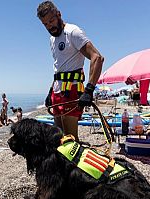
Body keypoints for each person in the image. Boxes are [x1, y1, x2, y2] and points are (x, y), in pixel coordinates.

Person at [37, 1, 104, 141]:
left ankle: (74, 162)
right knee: (59, 137)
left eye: (52, 20)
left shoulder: (72, 32)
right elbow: (59, 67)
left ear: (59, 14)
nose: (50, 26)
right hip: (57, 91)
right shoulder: (52, 39)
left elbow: (97, 58)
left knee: (70, 139)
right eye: (45, 24)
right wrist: (50, 92)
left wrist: (89, 90)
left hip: (71, 91)